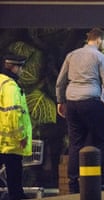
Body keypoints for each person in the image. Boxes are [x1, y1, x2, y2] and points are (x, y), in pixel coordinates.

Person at [56, 28, 104, 193]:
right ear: (98, 40)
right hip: (91, 101)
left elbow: (60, 81)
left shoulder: (71, 55)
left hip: (72, 102)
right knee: (101, 141)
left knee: (75, 143)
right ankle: (102, 179)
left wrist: (60, 101)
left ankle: (73, 182)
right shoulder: (99, 57)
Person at [0, 54, 32, 200]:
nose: (22, 71)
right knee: (14, 171)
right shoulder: (11, 87)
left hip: (2, 138)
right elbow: (13, 113)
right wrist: (21, 136)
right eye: (20, 67)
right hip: (11, 139)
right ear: (13, 67)